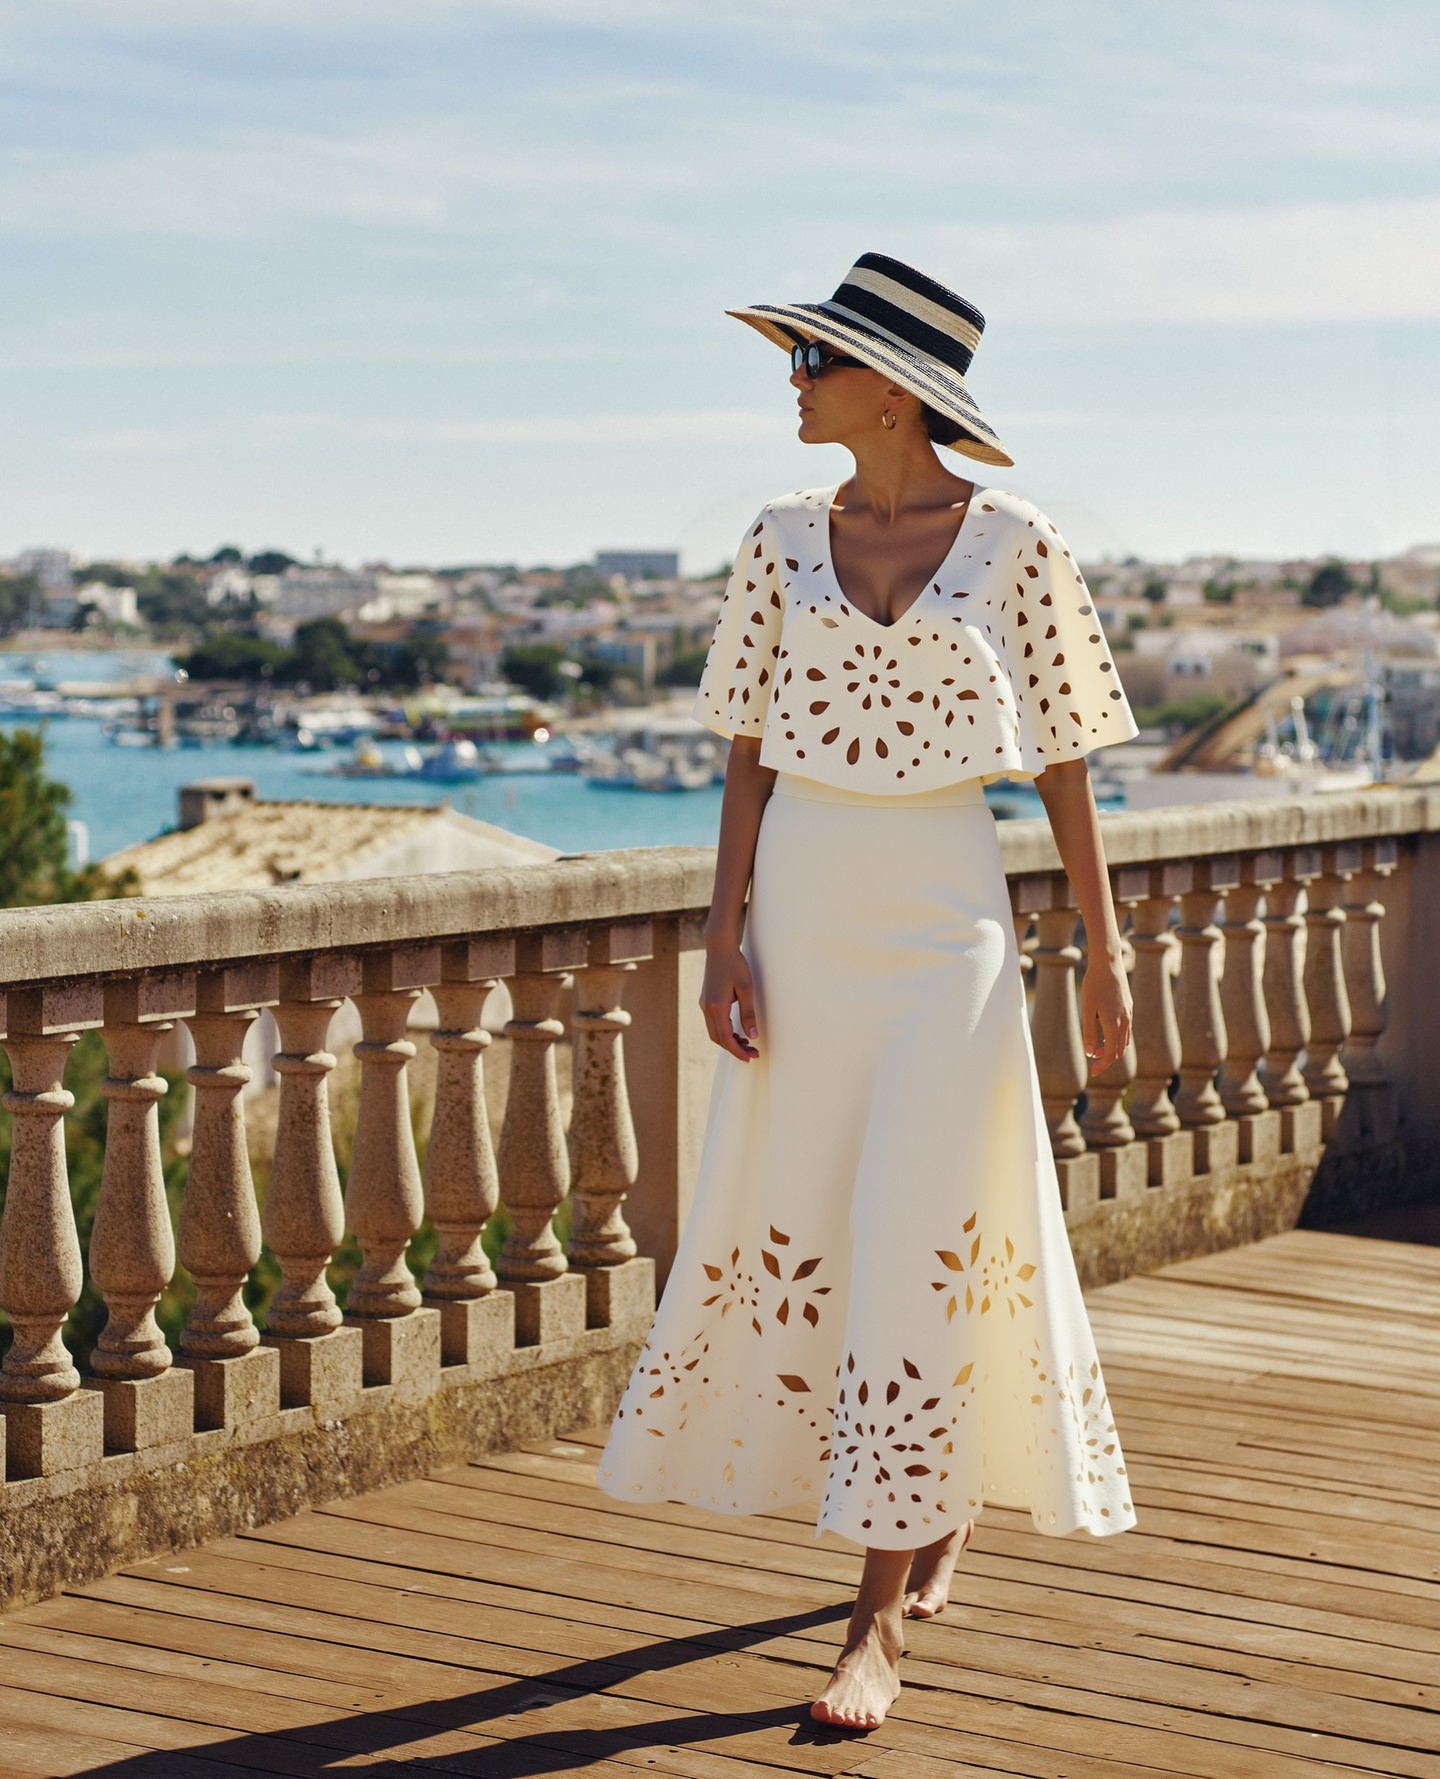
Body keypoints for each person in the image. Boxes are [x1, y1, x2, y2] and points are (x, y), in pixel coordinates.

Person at [599, 252, 1139, 1732]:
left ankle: (875, 1625)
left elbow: (1073, 754)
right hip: (811, 909)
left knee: (925, 1224)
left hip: (949, 925)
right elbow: (745, 752)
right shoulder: (776, 540)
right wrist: (727, 931)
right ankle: (931, 1502)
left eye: (814, 362)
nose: (794, 383)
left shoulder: (1018, 544)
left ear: (895, 388)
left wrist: (1104, 941)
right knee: (830, 1220)